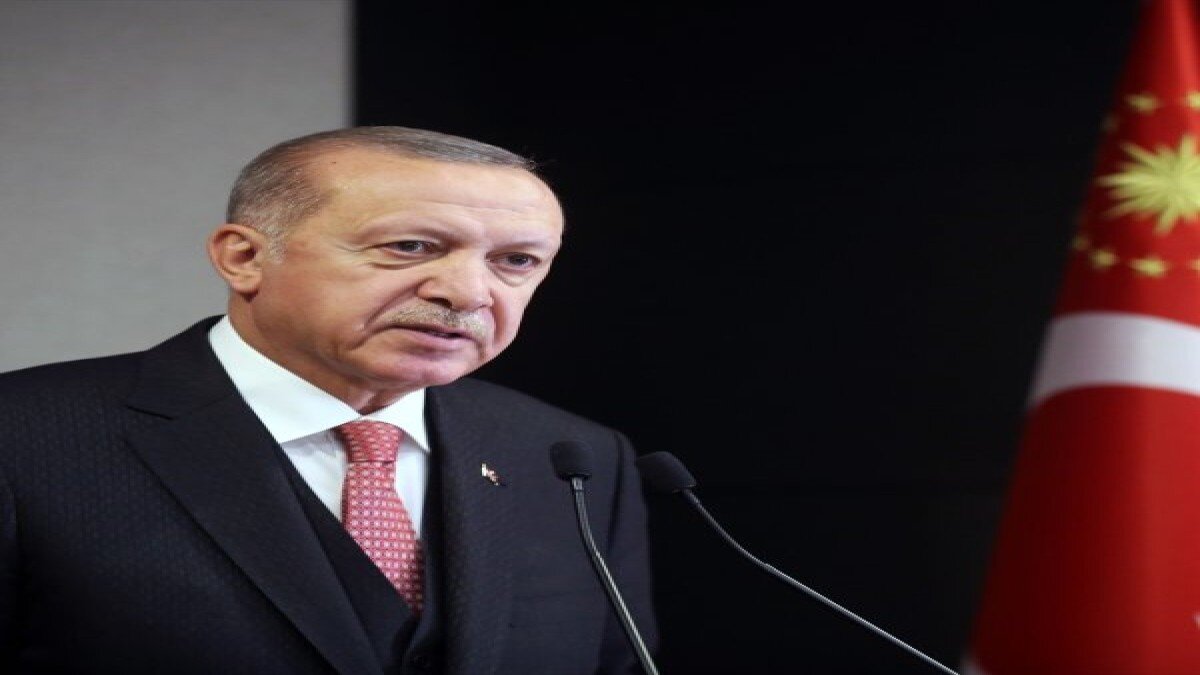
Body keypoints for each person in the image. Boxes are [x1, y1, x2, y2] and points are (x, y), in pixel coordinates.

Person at [0, 126, 656, 674]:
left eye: (515, 262)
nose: (467, 292)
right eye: (410, 247)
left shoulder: (571, 457)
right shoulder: (23, 436)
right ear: (243, 257)